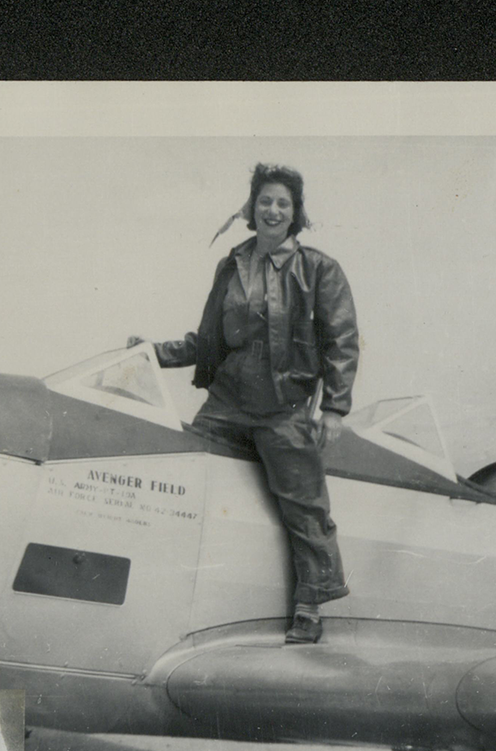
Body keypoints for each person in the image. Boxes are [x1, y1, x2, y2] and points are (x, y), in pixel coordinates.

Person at [128, 163, 359, 644]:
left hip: (284, 408)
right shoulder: (231, 264)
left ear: (296, 214)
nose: (273, 210)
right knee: (181, 475)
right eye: (265, 201)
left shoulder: (319, 269)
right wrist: (153, 352)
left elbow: (342, 339)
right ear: (251, 208)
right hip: (227, 401)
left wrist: (335, 408)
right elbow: (208, 339)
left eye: (283, 203)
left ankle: (310, 606)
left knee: (304, 505)